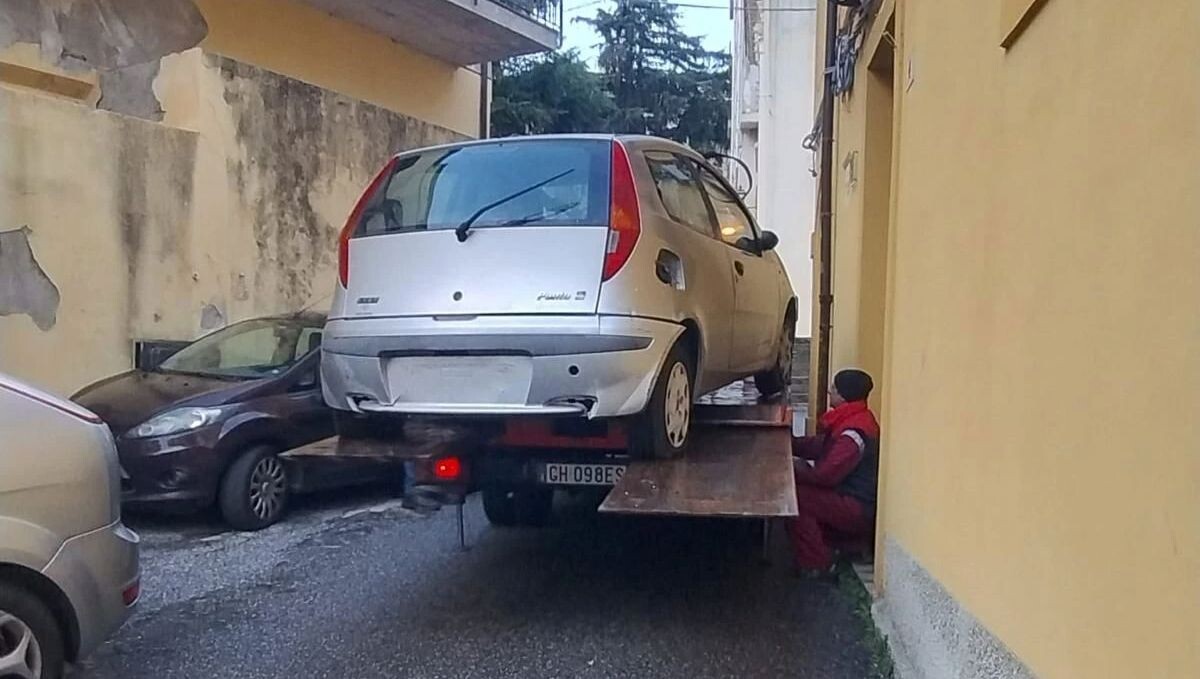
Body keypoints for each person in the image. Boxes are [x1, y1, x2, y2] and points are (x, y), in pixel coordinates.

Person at [787, 369, 880, 575]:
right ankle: (846, 546)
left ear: (844, 394)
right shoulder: (855, 421)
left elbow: (826, 476)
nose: (830, 392)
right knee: (802, 495)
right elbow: (821, 446)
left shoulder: (853, 432)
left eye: (834, 388)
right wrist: (791, 445)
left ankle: (817, 564)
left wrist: (793, 470)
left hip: (857, 506)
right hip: (855, 500)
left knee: (796, 499)